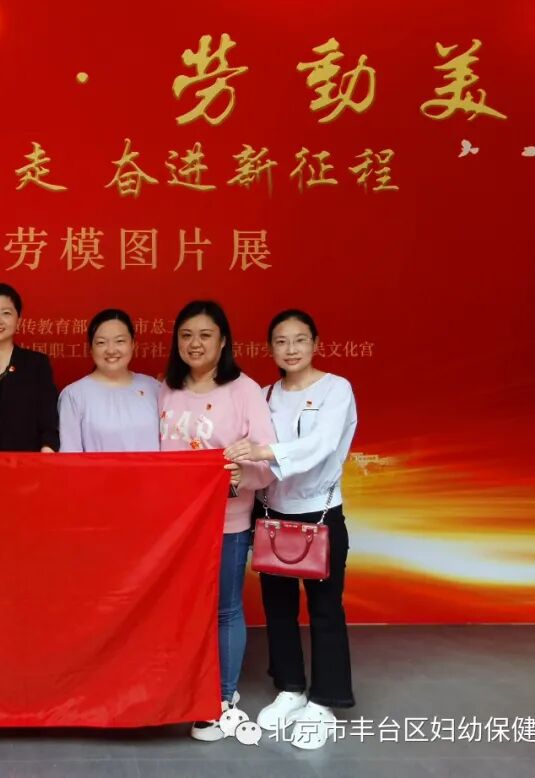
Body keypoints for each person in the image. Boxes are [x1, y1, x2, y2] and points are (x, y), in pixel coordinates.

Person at [224, 309, 358, 751]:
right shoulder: (265, 395)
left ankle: (324, 701)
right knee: (278, 607)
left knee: (325, 608)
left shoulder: (336, 389)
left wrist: (263, 450)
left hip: (319, 513)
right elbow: (255, 460)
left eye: (299, 340)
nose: (291, 349)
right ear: (270, 349)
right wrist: (242, 466)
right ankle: (290, 688)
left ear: (315, 343)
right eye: (281, 342)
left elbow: (321, 445)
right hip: (272, 512)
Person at [158, 300, 275, 741]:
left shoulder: (244, 390)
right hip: (173, 527)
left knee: (224, 608)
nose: (195, 343)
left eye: (205, 335)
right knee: (181, 610)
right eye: (186, 335)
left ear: (223, 341)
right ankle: (185, 687)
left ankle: (222, 700)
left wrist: (242, 474)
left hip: (226, 521)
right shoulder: (166, 389)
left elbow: (267, 460)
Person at [0, 282, 59, 452]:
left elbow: (49, 424)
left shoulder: (36, 365)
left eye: (6, 313)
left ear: (18, 320)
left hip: (26, 465)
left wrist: (46, 452)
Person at [58, 308, 158, 452]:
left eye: (120, 341)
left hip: (152, 468)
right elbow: (70, 455)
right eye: (101, 342)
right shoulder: (74, 395)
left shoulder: (154, 388)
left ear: (133, 344)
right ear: (90, 348)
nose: (111, 350)